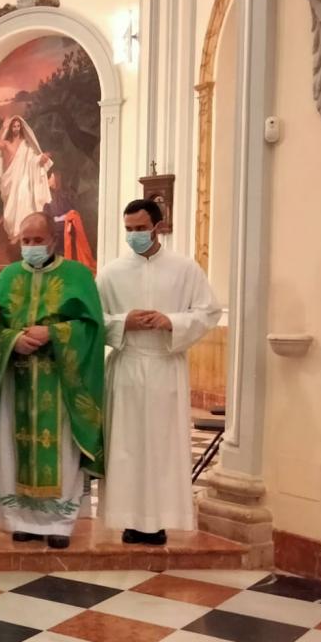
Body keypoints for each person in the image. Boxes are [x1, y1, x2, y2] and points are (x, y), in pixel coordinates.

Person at [98, 199, 221, 544]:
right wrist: (124, 322)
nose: (134, 235)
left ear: (157, 227)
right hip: (127, 365)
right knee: (126, 446)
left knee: (162, 447)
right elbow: (94, 320)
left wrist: (173, 321)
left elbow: (208, 311)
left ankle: (159, 521)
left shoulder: (185, 269)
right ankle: (127, 519)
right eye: (129, 229)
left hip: (166, 365)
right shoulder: (111, 273)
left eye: (140, 228)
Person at [0, 212, 106, 549]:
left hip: (61, 379)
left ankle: (59, 524)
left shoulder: (77, 275)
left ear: (53, 239)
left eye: (38, 240)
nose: (32, 246)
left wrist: (53, 333)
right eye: (26, 241)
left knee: (61, 447)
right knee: (13, 446)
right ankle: (19, 519)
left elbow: (92, 328)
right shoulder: (8, 276)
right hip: (17, 377)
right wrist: (12, 340)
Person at [0, 116, 52, 247]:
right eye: (14, 126)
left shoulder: (26, 144)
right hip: (9, 180)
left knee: (23, 196)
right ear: (11, 128)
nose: (16, 128)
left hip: (23, 178)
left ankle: (22, 231)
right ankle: (13, 233)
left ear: (21, 127)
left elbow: (33, 160)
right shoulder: (6, 143)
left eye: (18, 126)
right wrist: (3, 128)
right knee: (11, 209)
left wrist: (41, 160)